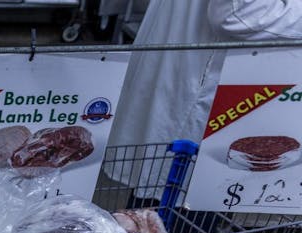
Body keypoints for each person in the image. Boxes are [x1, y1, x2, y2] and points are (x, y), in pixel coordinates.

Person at [105, 0, 302, 200]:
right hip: (204, 93)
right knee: (182, 208)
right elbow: (240, 14)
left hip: (192, 79)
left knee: (162, 210)